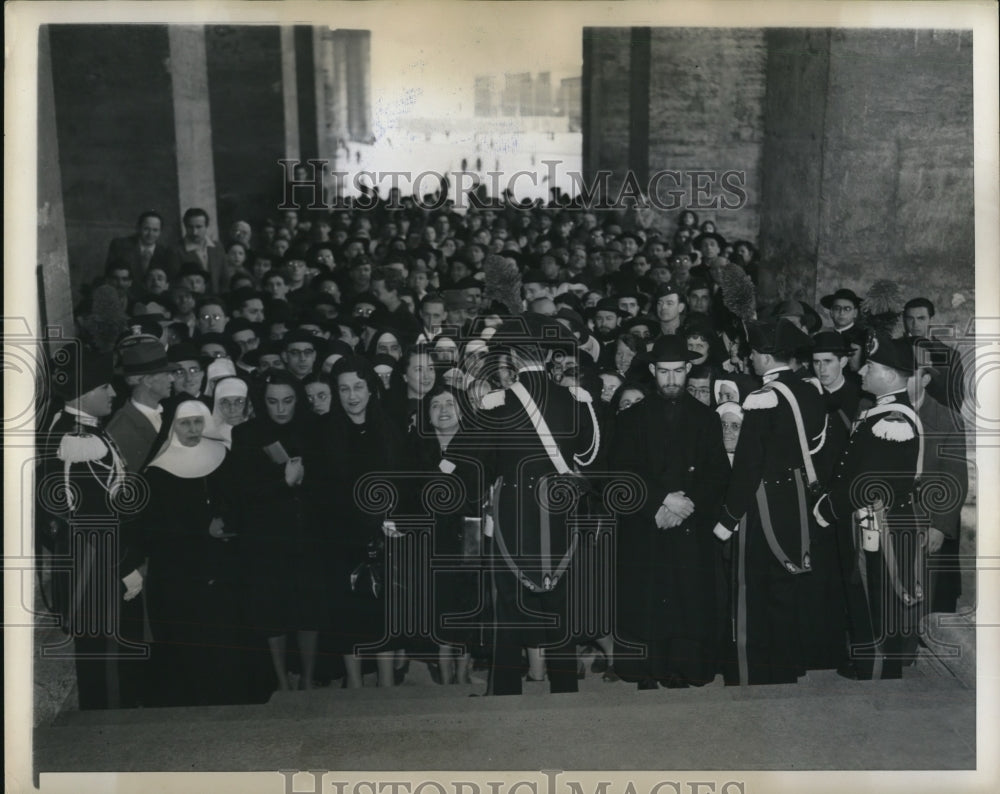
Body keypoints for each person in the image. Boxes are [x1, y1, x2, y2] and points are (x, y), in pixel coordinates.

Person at [471, 314, 601, 695]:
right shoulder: (575, 399)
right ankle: (564, 689)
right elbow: (590, 457)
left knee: (509, 605)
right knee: (562, 602)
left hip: (512, 512)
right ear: (547, 354)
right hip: (561, 510)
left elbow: (481, 466)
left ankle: (507, 690)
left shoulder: (495, 403)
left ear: (510, 354)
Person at [713, 319, 833, 685]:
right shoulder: (810, 389)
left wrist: (727, 518)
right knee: (786, 591)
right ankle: (786, 670)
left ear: (766, 356)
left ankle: (753, 674)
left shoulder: (763, 398)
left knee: (752, 593)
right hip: (798, 500)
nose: (749, 359)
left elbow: (749, 465)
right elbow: (815, 447)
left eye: (752, 353)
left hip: (763, 504)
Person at [607, 335, 730, 688]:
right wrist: (659, 502)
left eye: (678, 371)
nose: (672, 379)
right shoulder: (632, 419)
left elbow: (717, 473)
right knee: (647, 600)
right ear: (652, 370)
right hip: (648, 526)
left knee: (688, 599)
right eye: (664, 372)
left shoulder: (707, 419)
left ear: (689, 369)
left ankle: (684, 670)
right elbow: (620, 472)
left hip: (689, 526)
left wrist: (684, 507)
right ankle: (646, 670)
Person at [36, 347, 146, 709]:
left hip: (90, 560)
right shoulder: (79, 442)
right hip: (98, 567)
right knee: (107, 664)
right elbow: (92, 518)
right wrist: (125, 568)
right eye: (105, 388)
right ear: (83, 393)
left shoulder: (74, 428)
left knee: (101, 658)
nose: (113, 393)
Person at [813, 334, 924, 680]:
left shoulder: (895, 420)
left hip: (881, 523)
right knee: (864, 591)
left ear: (890, 375)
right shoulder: (882, 412)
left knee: (876, 593)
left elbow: (868, 483)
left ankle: (876, 667)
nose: (862, 372)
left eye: (870, 366)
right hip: (870, 521)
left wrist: (828, 508)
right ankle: (868, 659)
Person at [141, 399, 245, 706]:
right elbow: (156, 529)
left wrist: (227, 522)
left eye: (198, 422)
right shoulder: (157, 471)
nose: (193, 429)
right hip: (181, 574)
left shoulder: (221, 455)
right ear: (173, 426)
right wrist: (203, 528)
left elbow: (236, 499)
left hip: (222, 566)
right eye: (185, 423)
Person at [229, 370, 325, 692]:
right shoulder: (246, 434)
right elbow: (241, 491)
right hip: (266, 538)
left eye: (287, 401)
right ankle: (282, 680)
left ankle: (309, 678)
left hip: (309, 534)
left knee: (308, 608)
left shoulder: (314, 430)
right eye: (272, 402)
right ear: (262, 402)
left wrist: (305, 481)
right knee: (273, 609)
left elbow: (331, 483)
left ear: (298, 400)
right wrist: (282, 483)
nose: (281, 409)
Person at [318, 356, 406, 687]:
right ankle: (353, 685)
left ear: (371, 389)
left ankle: (385, 683)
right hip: (342, 540)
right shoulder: (325, 433)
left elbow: (403, 483)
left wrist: (391, 519)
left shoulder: (390, 429)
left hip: (386, 538)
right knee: (346, 614)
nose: (352, 395)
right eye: (343, 389)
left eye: (358, 387)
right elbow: (323, 494)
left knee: (384, 610)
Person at [106, 335, 175, 472]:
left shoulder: (169, 411)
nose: (172, 379)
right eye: (166, 374)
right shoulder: (120, 429)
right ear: (148, 381)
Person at [902, 297, 966, 412]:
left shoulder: (951, 355)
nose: (915, 324)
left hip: (935, 420)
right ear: (904, 320)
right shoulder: (893, 348)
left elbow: (956, 400)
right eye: (910, 318)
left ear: (930, 320)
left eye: (921, 318)